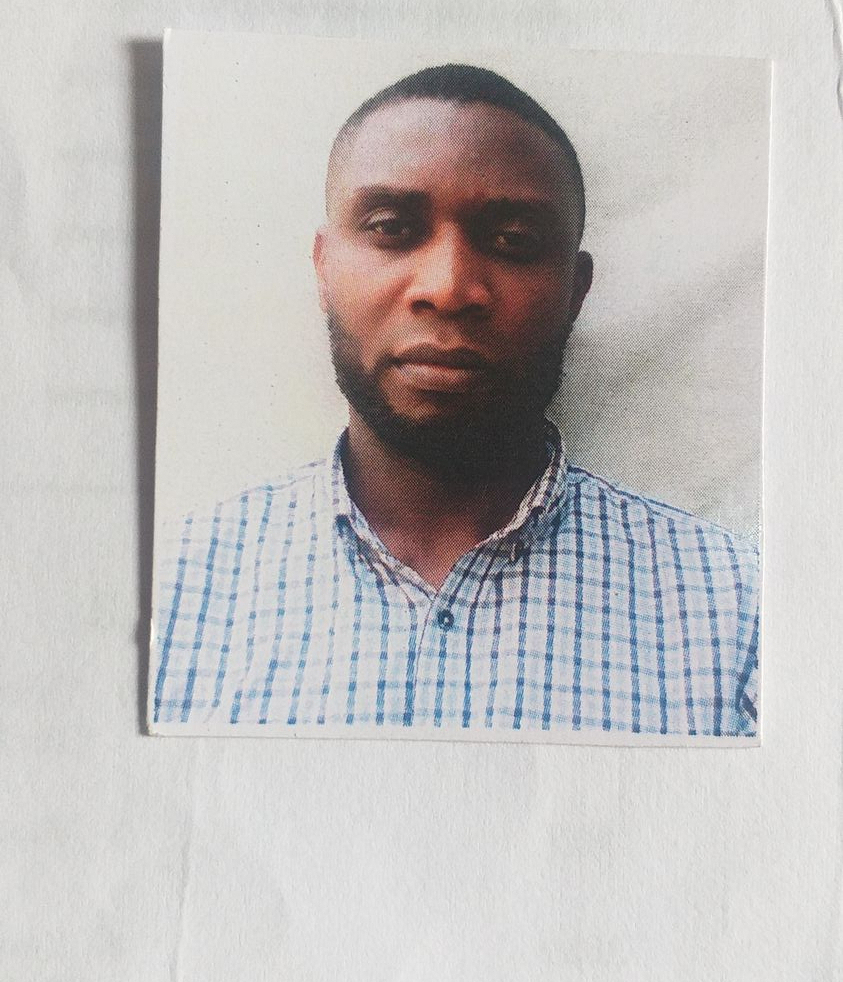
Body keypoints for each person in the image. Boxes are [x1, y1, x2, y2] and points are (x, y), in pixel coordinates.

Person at [152, 64, 759, 737]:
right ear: (323, 268)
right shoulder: (175, 591)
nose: (447, 288)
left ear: (575, 289)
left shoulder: (737, 613)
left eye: (513, 241)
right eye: (391, 227)